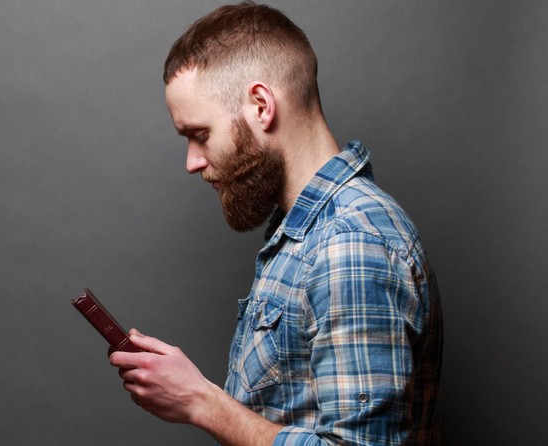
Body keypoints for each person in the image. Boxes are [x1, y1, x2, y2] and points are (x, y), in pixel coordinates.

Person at [108, 2, 443, 445]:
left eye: (200, 134)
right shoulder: (303, 232)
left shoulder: (350, 243)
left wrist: (202, 403)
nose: (192, 161)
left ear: (262, 106)